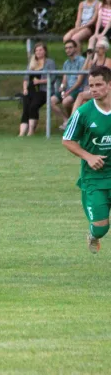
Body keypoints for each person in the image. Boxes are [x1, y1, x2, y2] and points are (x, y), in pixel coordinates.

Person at [62, 65, 111, 254]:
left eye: (99, 84)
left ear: (109, 85)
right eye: (91, 85)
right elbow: (67, 140)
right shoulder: (83, 112)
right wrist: (88, 156)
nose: (94, 89)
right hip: (94, 178)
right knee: (101, 228)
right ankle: (93, 235)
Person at [19, 42, 56, 137]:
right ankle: (22, 133)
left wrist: (40, 81)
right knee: (26, 107)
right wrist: (24, 89)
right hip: (30, 90)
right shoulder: (32, 62)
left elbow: (52, 78)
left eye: (41, 50)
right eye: (36, 50)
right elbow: (26, 78)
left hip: (44, 90)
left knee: (33, 106)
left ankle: (31, 131)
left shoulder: (50, 62)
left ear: (45, 51)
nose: (38, 52)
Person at [51, 40, 86, 131]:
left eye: (70, 47)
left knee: (66, 102)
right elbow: (64, 79)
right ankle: (66, 120)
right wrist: (62, 87)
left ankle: (72, 121)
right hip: (68, 89)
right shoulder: (66, 63)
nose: (68, 50)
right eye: (66, 48)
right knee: (51, 101)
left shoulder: (82, 61)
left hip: (78, 89)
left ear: (75, 48)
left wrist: (68, 92)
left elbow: (79, 81)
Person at [72, 38, 111, 115]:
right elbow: (82, 72)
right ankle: (75, 119)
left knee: (81, 96)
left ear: (105, 49)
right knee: (83, 101)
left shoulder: (108, 61)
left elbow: (106, 76)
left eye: (100, 48)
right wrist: (88, 57)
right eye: (96, 47)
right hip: (94, 88)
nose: (97, 49)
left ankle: (71, 119)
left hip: (105, 88)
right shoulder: (93, 62)